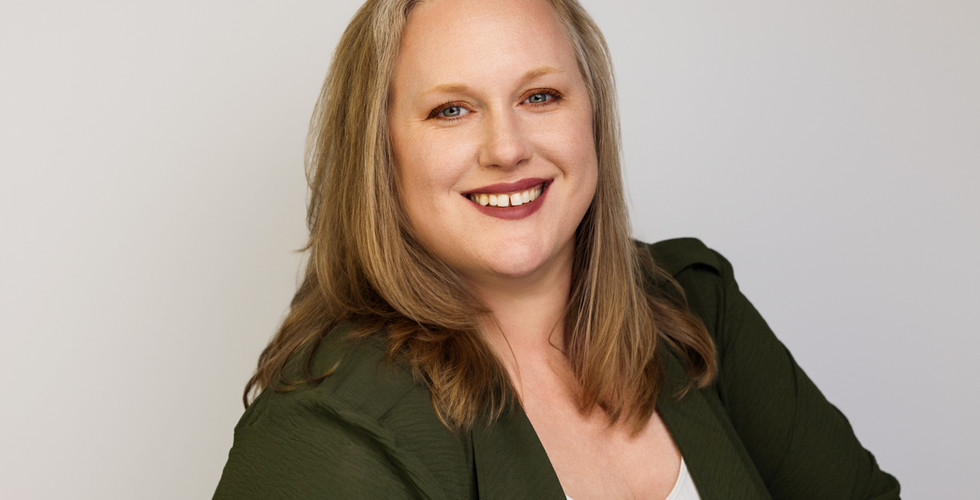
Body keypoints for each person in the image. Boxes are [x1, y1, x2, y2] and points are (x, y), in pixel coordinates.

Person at [215, 0, 900, 498]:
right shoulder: (334, 423)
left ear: (592, 121)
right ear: (381, 153)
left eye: (541, 96)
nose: (508, 148)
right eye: (451, 109)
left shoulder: (693, 307)